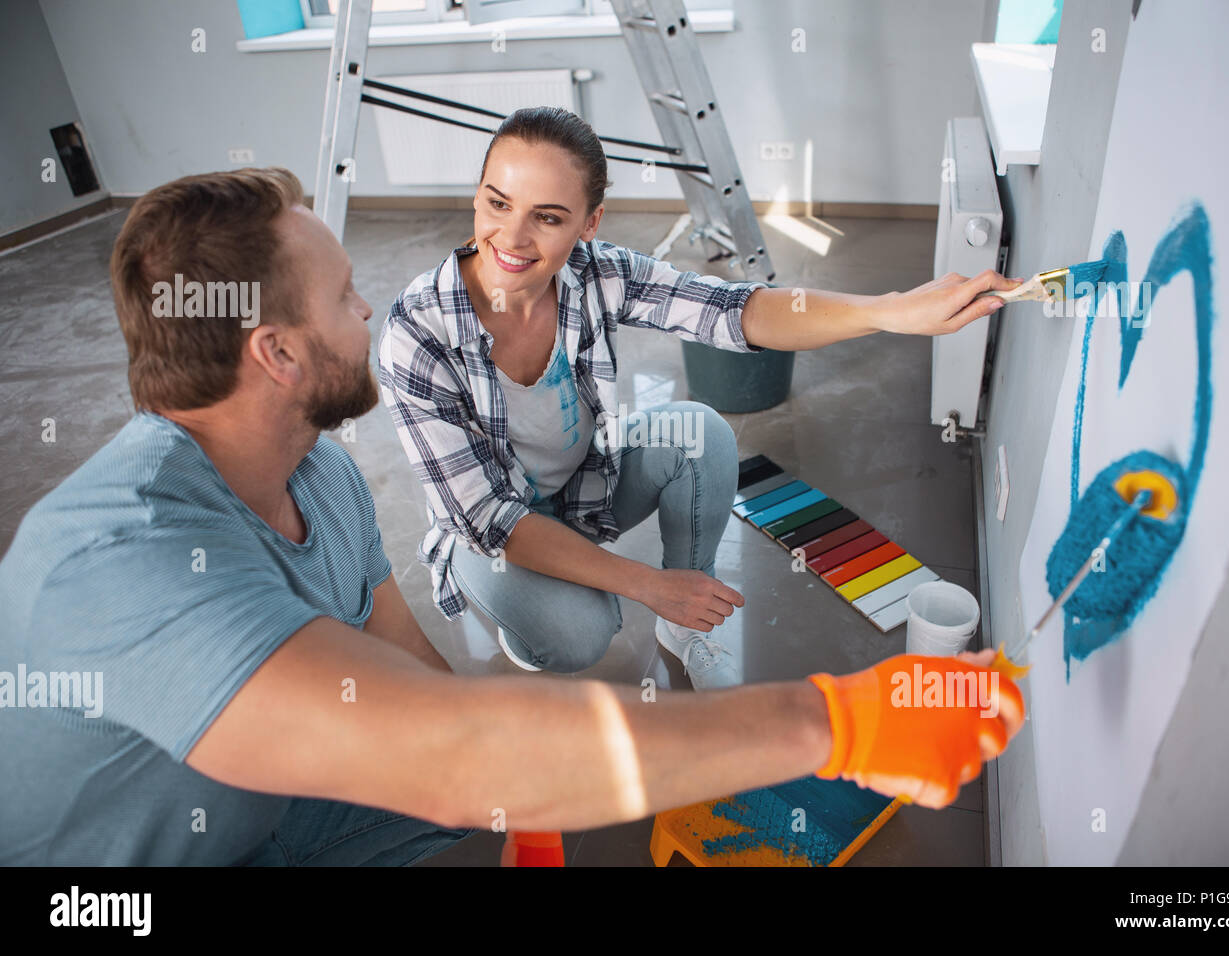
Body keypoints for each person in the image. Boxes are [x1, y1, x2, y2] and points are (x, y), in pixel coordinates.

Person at [0, 166, 1022, 867]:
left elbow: (404, 668)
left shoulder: (321, 475)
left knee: (517, 777)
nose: (367, 310)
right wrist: (835, 722)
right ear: (274, 351)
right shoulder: (117, 551)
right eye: (345, 295)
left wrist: (505, 803)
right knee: (546, 674)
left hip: (275, 811)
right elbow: (452, 742)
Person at [380, 106, 1020, 689]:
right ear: (478, 195)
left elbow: (734, 311)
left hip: (582, 486)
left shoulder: (592, 271)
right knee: (579, 634)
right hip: (490, 534)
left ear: (588, 224)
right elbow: (492, 518)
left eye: (547, 217)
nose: (512, 239)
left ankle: (685, 623)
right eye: (498, 203)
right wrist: (648, 585)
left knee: (702, 435)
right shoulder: (417, 334)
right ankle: (540, 623)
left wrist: (891, 311)